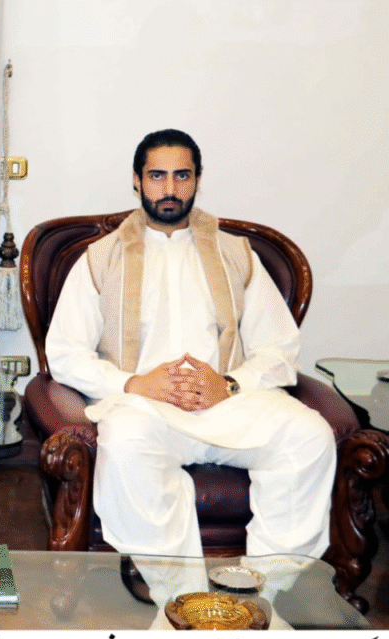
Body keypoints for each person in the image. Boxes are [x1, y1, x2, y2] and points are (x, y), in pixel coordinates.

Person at [45, 129, 336, 564]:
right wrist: (134, 384)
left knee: (310, 436)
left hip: (228, 404)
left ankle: (272, 584)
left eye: (181, 175)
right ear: (137, 181)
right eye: (157, 176)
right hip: (146, 408)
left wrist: (229, 384)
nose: (169, 188)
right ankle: (172, 586)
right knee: (123, 442)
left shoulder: (236, 254)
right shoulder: (101, 258)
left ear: (198, 179)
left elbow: (279, 347)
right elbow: (65, 353)